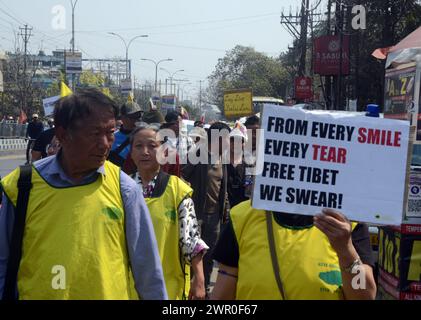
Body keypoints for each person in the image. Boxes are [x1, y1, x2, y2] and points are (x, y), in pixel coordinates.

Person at [0, 88, 167, 300]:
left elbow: (148, 272)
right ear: (62, 134)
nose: (106, 144)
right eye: (95, 134)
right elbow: (3, 263)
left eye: (110, 133)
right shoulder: (22, 186)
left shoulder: (124, 189)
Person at [211, 202, 377, 300]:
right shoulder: (244, 216)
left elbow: (365, 295)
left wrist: (346, 250)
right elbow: (221, 295)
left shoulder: (346, 223)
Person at [130, 124, 208, 300]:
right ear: (131, 152)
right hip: (128, 287)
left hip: (168, 285)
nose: (145, 152)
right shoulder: (121, 189)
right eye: (138, 146)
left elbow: (191, 239)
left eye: (152, 146)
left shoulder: (177, 190)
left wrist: (200, 279)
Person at [182, 122, 230, 297]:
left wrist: (225, 210)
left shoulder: (222, 159)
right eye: (226, 139)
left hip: (214, 217)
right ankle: (189, 289)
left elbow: (222, 187)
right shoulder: (197, 154)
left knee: (209, 257)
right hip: (196, 215)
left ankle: (205, 292)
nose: (228, 142)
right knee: (194, 256)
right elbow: (181, 175)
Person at [108, 101, 142, 170]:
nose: (136, 120)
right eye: (132, 117)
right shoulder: (111, 138)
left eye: (138, 116)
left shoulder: (144, 138)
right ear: (122, 118)